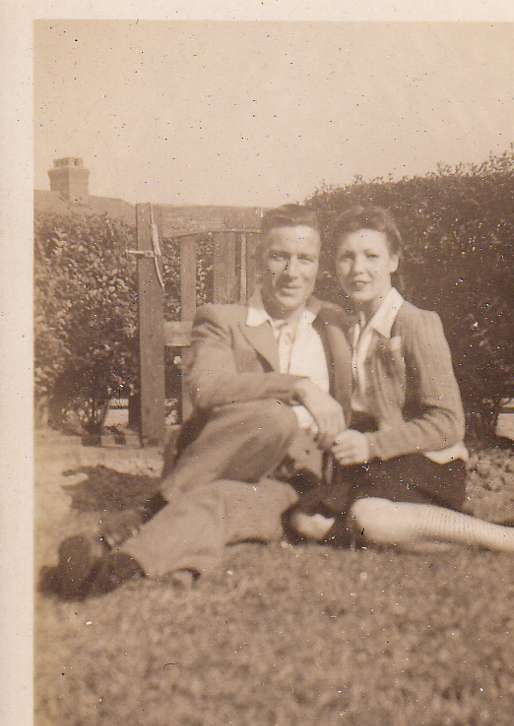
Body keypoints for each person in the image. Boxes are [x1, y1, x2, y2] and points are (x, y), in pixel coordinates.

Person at [56, 204, 353, 599]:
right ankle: (151, 518)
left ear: (319, 264)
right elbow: (209, 388)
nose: (292, 272)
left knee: (216, 504)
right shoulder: (222, 319)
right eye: (279, 256)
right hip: (234, 455)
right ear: (258, 258)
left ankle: (117, 564)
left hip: (294, 482)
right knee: (275, 419)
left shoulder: (333, 323)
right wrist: (297, 386)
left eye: (306, 259)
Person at [288, 205, 514, 565]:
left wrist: (371, 444)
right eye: (346, 257)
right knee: (305, 519)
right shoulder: (348, 328)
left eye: (371, 256)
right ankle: (417, 530)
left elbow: (448, 423)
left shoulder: (416, 324)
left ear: (393, 260)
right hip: (373, 467)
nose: (357, 269)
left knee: (368, 520)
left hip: (424, 464)